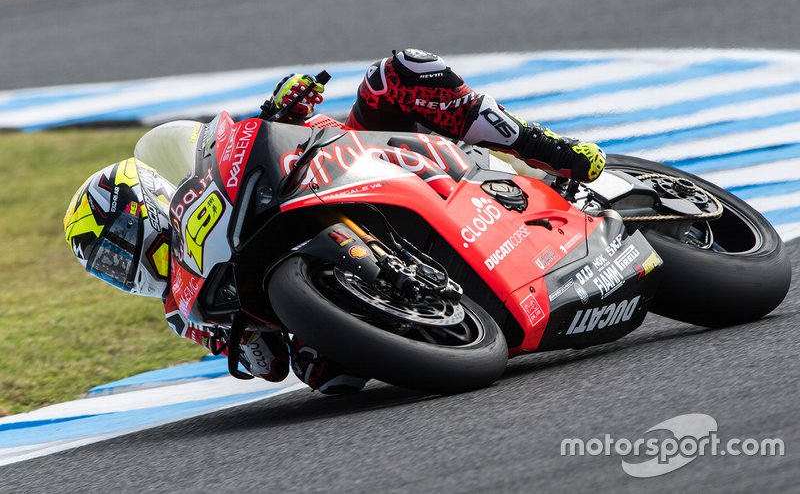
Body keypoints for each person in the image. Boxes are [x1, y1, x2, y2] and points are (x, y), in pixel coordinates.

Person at [64, 49, 606, 394]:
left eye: (116, 247)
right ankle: (423, 309)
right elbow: (264, 366)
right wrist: (253, 343)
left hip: (373, 160)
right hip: (350, 299)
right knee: (329, 376)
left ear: (143, 201)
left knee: (401, 71)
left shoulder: (205, 185)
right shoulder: (184, 307)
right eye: (109, 268)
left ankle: (548, 149)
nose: (123, 264)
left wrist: (281, 111)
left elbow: (261, 143)